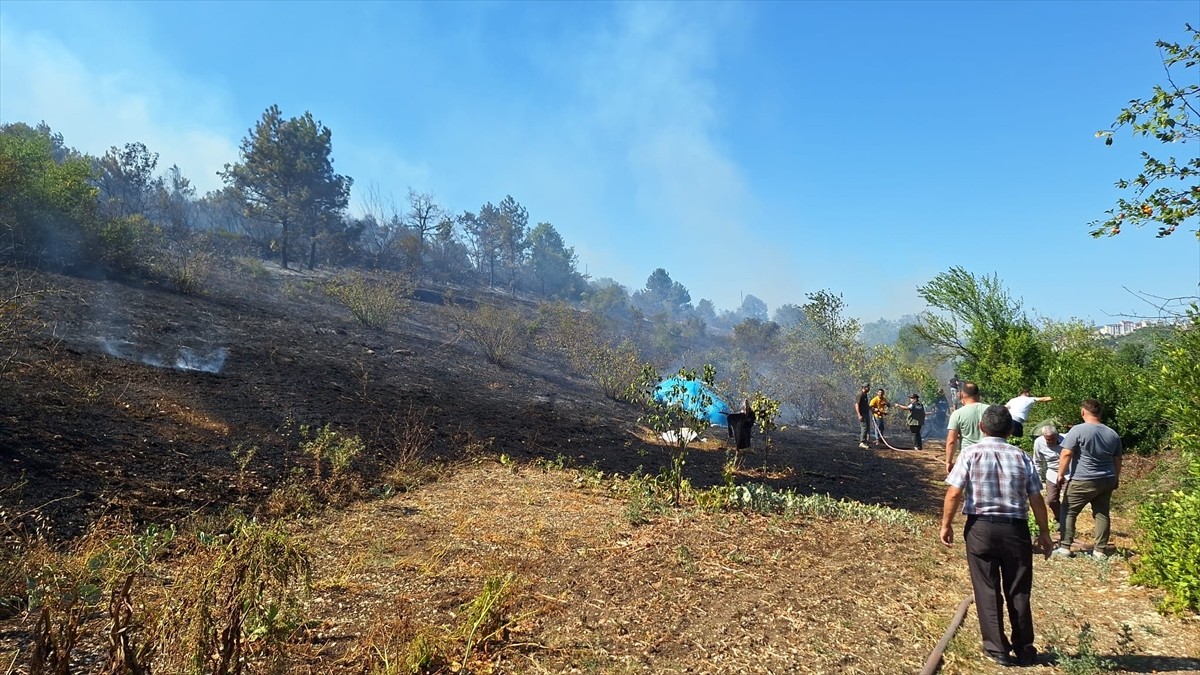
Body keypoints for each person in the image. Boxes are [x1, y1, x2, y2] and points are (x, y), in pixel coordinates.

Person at [941, 405, 1053, 667]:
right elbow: (1036, 498)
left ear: (981, 427)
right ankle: (1024, 649)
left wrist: (946, 524)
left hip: (980, 528)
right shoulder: (1022, 457)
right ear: (1011, 430)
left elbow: (954, 493)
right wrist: (1045, 533)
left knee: (986, 589)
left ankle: (997, 648)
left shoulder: (970, 453)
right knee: (1018, 589)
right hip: (1016, 530)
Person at [1053, 400, 1123, 559]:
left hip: (1083, 479)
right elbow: (1118, 459)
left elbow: (1066, 453)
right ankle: (1100, 551)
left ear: (1083, 412)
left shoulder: (1077, 430)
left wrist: (1060, 474)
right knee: (1101, 513)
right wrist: (1116, 478)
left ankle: (1065, 547)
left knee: (1069, 511)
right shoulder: (1112, 433)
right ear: (1100, 414)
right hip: (1107, 479)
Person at [1032, 424, 1067, 540]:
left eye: (1052, 438)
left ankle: (1067, 524)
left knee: (1069, 499)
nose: (1050, 441)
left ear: (1057, 435)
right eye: (1048, 439)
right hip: (1052, 472)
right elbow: (1037, 461)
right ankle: (1059, 518)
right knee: (1051, 500)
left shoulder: (1066, 439)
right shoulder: (1039, 443)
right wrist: (1036, 478)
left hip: (1068, 472)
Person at [945, 382, 986, 475]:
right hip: (989, 457)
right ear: (978, 395)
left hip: (967, 458)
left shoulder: (957, 414)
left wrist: (948, 461)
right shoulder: (990, 410)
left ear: (962, 395)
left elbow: (951, 440)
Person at [854, 384, 872, 449]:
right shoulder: (860, 394)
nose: (869, 389)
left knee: (867, 428)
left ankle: (865, 441)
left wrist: (871, 408)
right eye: (868, 387)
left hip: (866, 413)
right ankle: (862, 442)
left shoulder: (865, 395)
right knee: (864, 428)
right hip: (862, 414)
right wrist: (859, 414)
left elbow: (866, 405)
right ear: (864, 387)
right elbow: (856, 404)